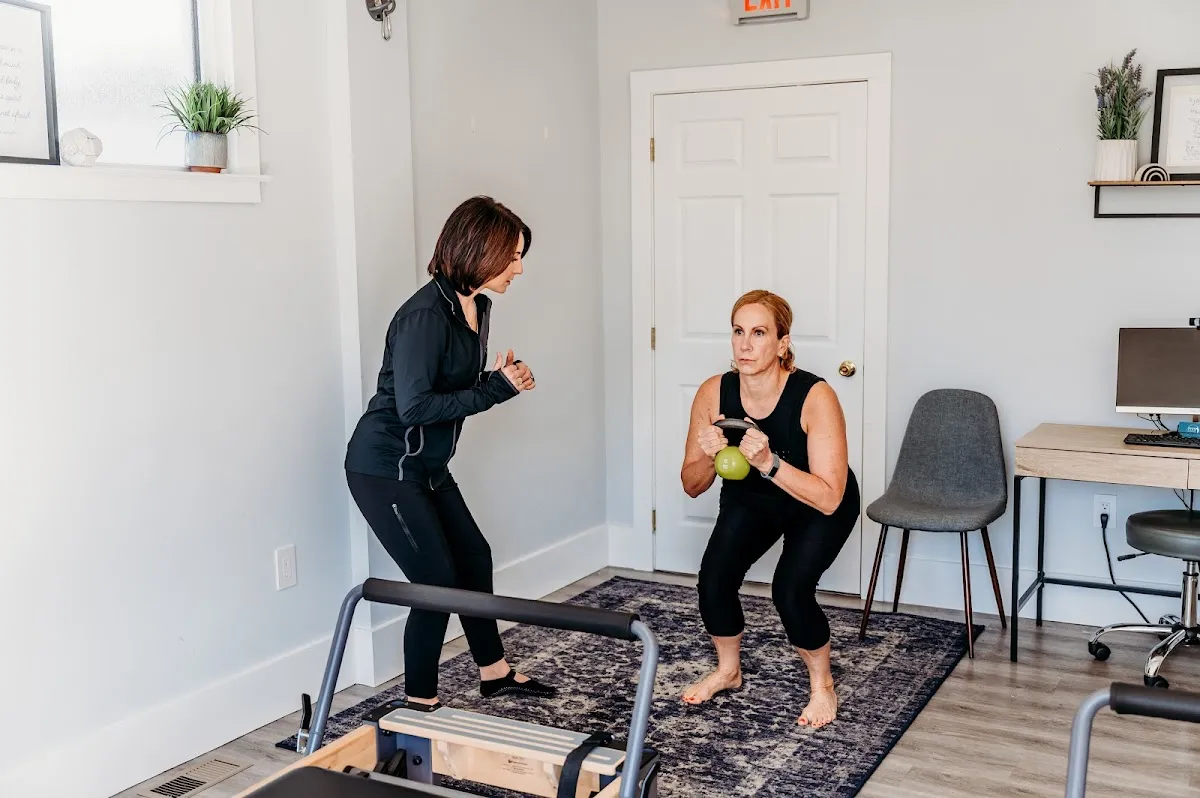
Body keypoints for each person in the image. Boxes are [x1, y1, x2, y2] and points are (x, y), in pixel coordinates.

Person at [343, 196, 556, 709]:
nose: (519, 269)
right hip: (386, 467)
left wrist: (500, 378)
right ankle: (420, 705)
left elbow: (451, 385)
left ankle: (494, 671)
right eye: (512, 257)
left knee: (474, 557)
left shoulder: (477, 306)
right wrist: (496, 389)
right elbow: (415, 407)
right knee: (436, 583)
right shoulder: (423, 316)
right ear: (478, 250)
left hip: (429, 466)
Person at [678, 289, 860, 729]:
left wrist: (769, 463)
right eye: (738, 331)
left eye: (759, 333)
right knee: (714, 579)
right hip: (752, 498)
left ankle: (823, 685)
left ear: (782, 343)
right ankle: (728, 670)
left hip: (815, 501)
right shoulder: (714, 392)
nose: (745, 344)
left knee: (790, 589)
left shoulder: (815, 396)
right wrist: (709, 455)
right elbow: (691, 485)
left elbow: (829, 496)